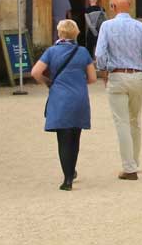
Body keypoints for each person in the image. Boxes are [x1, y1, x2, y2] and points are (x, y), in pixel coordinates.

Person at [92, 0, 142, 180]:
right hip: (138, 76)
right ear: (129, 5)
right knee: (135, 120)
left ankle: (129, 167)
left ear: (113, 7)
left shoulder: (107, 26)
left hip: (117, 76)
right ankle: (134, 161)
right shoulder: (141, 27)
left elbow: (100, 54)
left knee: (121, 122)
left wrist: (104, 71)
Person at [32, 20, 95, 191]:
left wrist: (48, 82)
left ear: (60, 33)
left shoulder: (52, 52)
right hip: (79, 98)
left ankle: (67, 178)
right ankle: (71, 172)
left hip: (60, 98)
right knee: (75, 138)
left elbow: (35, 72)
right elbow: (92, 78)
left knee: (63, 140)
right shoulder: (83, 52)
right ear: (76, 34)